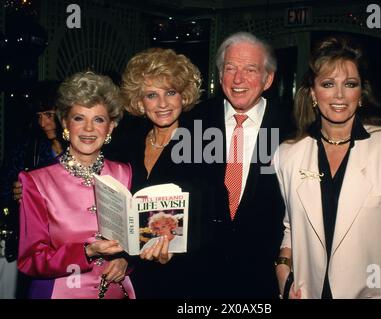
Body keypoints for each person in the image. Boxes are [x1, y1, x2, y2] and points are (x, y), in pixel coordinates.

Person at [274, 36, 381, 299]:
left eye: (349, 84)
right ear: (313, 93)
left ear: (360, 94)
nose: (339, 95)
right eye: (328, 84)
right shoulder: (289, 154)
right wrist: (283, 273)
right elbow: (291, 228)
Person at [189, 31, 294, 298]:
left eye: (250, 69)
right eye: (230, 68)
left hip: (264, 275)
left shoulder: (293, 126)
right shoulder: (193, 121)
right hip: (200, 275)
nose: (238, 79)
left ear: (268, 79)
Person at [17, 71, 135, 299]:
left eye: (98, 119)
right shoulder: (37, 181)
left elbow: (137, 240)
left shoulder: (125, 173)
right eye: (79, 118)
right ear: (65, 123)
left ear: (111, 127)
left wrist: (126, 261)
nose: (89, 129)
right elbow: (30, 259)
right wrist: (87, 251)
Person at [120, 47, 207, 298]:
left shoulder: (202, 146)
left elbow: (210, 222)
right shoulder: (127, 145)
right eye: (151, 95)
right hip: (132, 276)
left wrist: (175, 251)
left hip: (182, 279)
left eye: (171, 92)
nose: (162, 104)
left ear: (184, 96)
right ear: (139, 101)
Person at [0, 80, 64, 298]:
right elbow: (5, 191)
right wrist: (15, 193)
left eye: (48, 114)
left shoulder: (83, 146)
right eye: (38, 116)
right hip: (38, 249)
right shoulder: (28, 149)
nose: (44, 123)